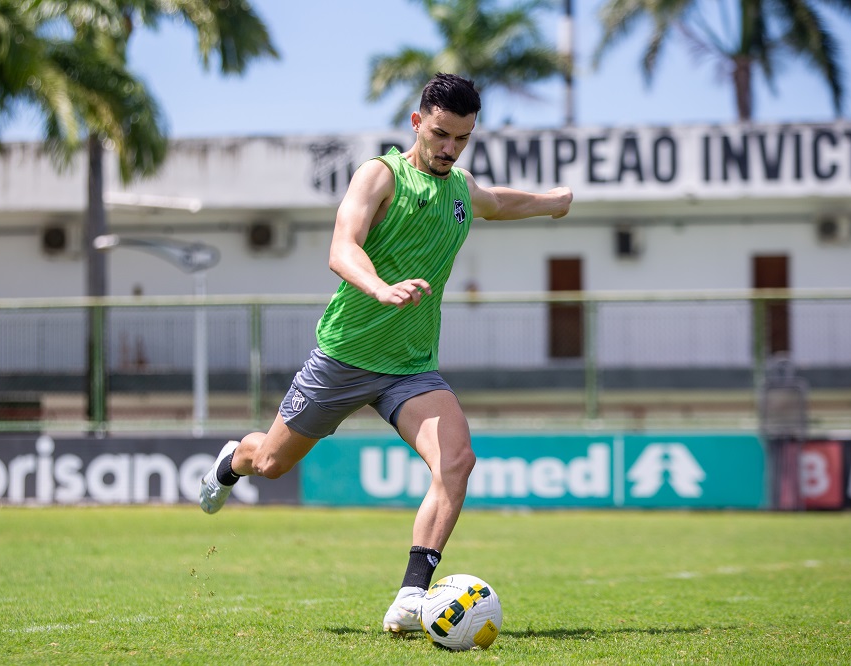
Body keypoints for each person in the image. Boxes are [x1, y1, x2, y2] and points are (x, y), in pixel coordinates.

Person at [200, 73, 572, 634]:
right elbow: (342, 246)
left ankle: (411, 596)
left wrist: (552, 202)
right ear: (419, 122)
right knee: (271, 464)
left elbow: (497, 203)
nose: (450, 149)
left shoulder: (461, 188)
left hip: (411, 366)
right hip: (345, 356)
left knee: (456, 461)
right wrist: (378, 287)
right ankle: (234, 460)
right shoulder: (380, 175)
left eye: (463, 139)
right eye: (442, 134)